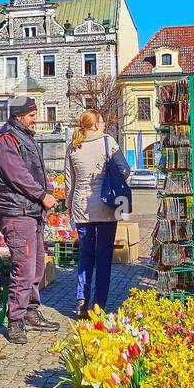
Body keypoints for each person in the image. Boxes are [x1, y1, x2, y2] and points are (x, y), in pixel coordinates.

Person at [0, 95, 59, 345]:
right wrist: (42, 195)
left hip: (31, 210)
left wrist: (43, 196)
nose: (35, 118)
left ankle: (30, 310)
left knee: (37, 265)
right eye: (31, 114)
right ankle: (15, 319)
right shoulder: (6, 139)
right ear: (19, 116)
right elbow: (17, 175)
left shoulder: (23, 136)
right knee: (24, 268)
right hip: (16, 211)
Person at [64, 110, 129, 318]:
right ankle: (98, 304)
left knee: (85, 255)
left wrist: (69, 207)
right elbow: (125, 170)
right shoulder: (108, 142)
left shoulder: (73, 146)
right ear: (93, 125)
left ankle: (81, 301)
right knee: (103, 257)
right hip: (106, 206)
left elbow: (68, 182)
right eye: (101, 121)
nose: (104, 125)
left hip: (81, 207)